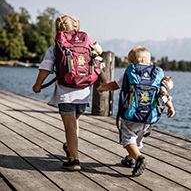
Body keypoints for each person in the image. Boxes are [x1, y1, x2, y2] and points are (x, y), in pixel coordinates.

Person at [32, 15, 107, 171]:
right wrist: (105, 82)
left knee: (70, 126)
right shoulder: (87, 46)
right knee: (75, 122)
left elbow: (46, 68)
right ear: (76, 29)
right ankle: (70, 147)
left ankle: (74, 160)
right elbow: (98, 65)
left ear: (58, 30)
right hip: (84, 92)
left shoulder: (56, 48)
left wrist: (38, 84)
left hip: (67, 93)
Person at [97, 46, 175, 176]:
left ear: (130, 62)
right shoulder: (156, 74)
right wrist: (170, 106)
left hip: (131, 115)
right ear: (150, 62)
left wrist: (104, 88)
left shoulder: (130, 72)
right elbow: (163, 93)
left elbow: (115, 85)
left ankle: (139, 158)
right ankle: (130, 160)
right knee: (137, 140)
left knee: (128, 139)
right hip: (148, 116)